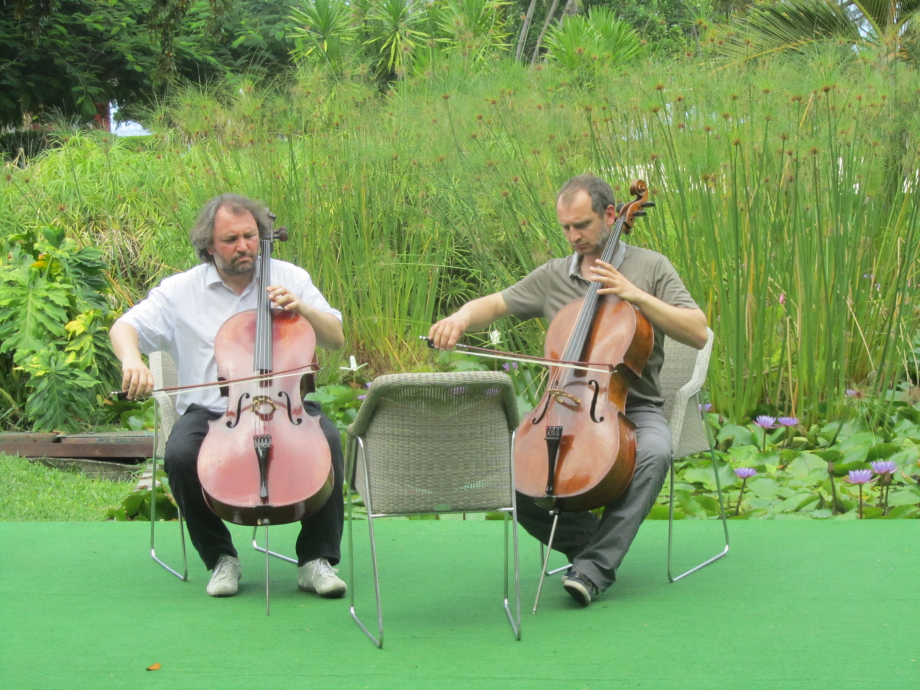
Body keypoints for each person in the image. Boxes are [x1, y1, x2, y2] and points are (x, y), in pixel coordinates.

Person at [428, 174, 708, 607]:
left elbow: (697, 331)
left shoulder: (651, 267)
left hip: (636, 407)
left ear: (611, 215)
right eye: (566, 228)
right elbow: (497, 304)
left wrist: (636, 295)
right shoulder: (553, 276)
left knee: (655, 452)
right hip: (565, 406)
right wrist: (461, 319)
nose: (574, 237)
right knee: (515, 470)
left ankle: (593, 570)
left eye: (582, 225)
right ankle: (595, 548)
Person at [110, 193, 348, 599]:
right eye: (231, 240)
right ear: (208, 247)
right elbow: (124, 327)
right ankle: (221, 558)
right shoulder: (179, 291)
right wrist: (133, 361)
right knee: (181, 456)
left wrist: (304, 311)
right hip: (213, 412)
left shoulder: (290, 277)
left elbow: (335, 338)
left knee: (326, 439)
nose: (244, 247)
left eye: (251, 236)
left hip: (283, 403)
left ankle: (316, 560)